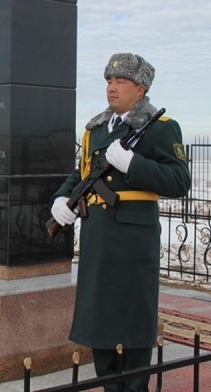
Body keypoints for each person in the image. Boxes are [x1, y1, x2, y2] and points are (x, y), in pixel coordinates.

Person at [50, 53, 191, 391]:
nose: (111, 88)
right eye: (109, 82)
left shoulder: (160, 127)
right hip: (98, 236)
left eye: (120, 82)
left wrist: (133, 165)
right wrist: (61, 198)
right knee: (99, 319)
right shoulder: (96, 130)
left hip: (133, 240)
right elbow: (81, 173)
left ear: (140, 89)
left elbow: (179, 181)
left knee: (134, 320)